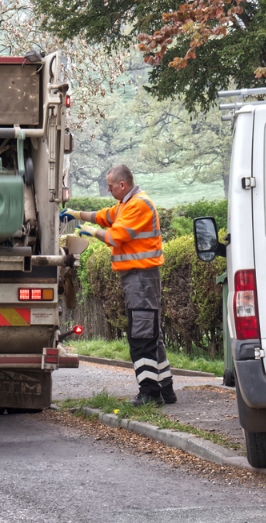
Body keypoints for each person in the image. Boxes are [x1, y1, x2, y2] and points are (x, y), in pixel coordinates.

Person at [61, 165, 176, 407]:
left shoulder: (138, 205)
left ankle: (149, 394)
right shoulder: (127, 204)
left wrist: (89, 232)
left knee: (141, 337)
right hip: (139, 278)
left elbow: (115, 236)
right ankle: (165, 389)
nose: (108, 189)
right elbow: (105, 215)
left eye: (110, 186)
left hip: (141, 278)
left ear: (122, 185)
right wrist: (77, 213)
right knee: (151, 336)